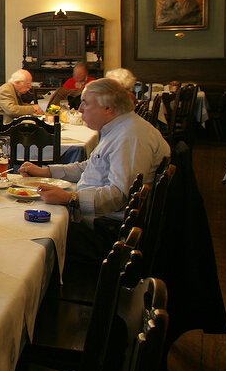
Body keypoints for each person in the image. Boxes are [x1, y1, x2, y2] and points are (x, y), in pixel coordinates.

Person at [19, 78, 170, 263]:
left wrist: (70, 198)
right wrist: (46, 172)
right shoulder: (118, 129)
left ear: (109, 108)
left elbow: (119, 195)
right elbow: (89, 167)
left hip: (107, 233)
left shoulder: (130, 137)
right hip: (100, 222)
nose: (80, 109)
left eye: (86, 103)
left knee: (31, 229)